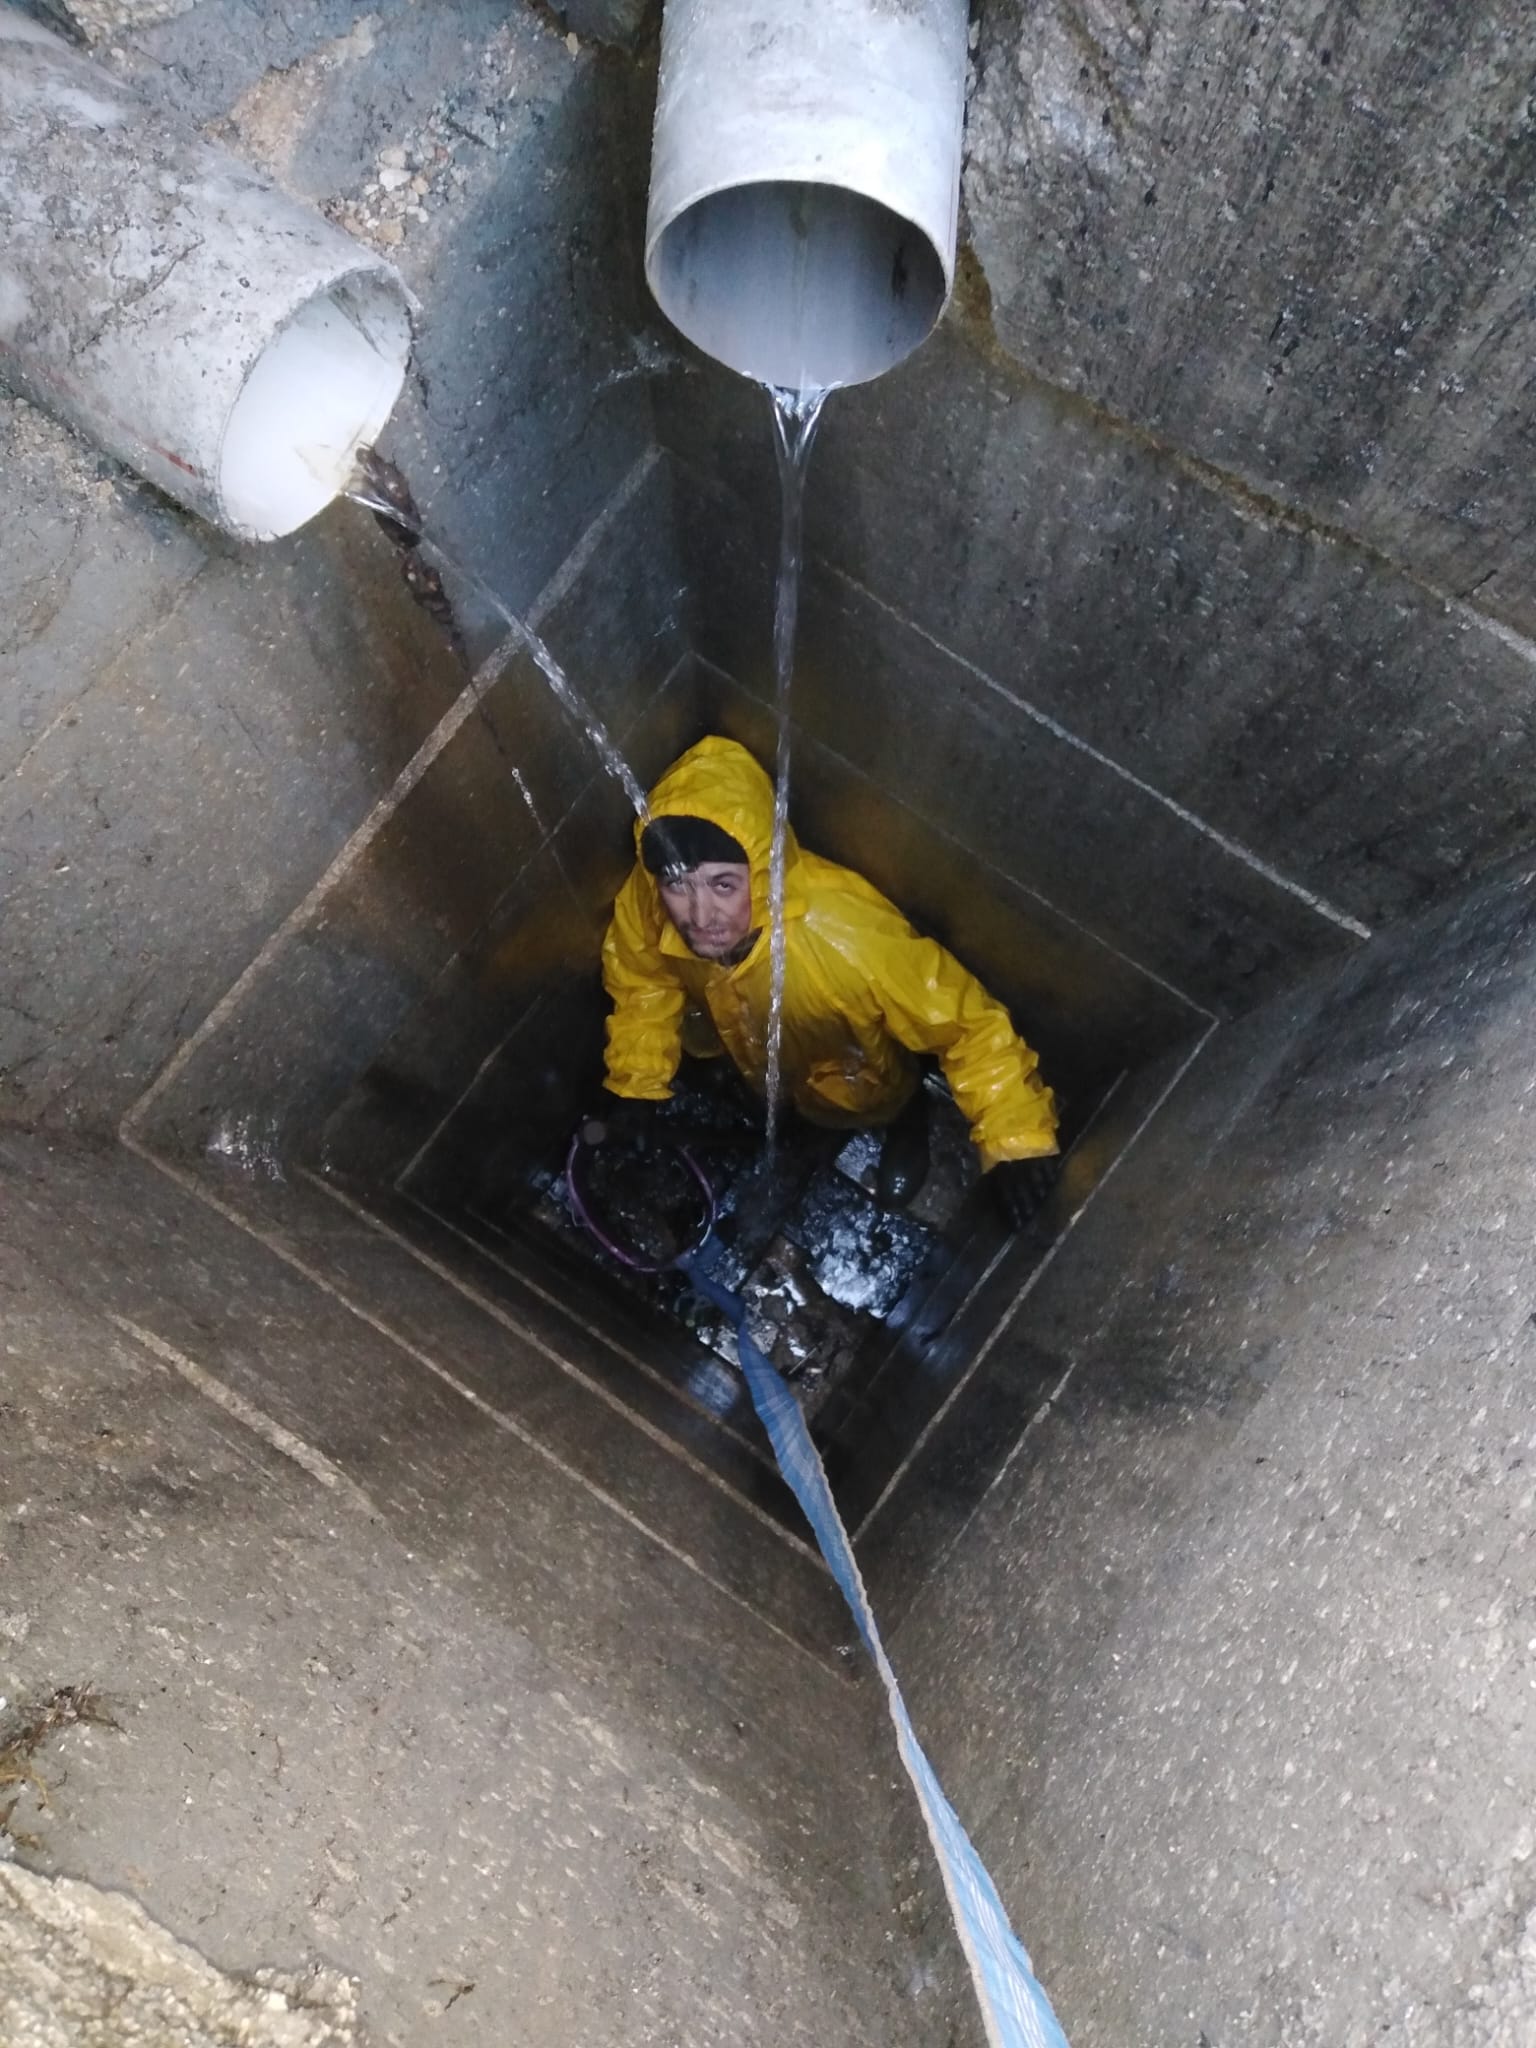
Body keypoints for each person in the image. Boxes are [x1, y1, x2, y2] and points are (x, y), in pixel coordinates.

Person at [594, 735, 1059, 1223]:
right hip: (762, 1057)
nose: (699, 914)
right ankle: (808, 1123)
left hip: (862, 1075)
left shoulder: (844, 934)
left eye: (723, 885)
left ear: (759, 871)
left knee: (886, 1097)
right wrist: (636, 1082)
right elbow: (640, 981)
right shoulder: (647, 902)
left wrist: (1016, 1135)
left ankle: (904, 1122)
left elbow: (965, 1024)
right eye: (677, 884)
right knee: (787, 1099)